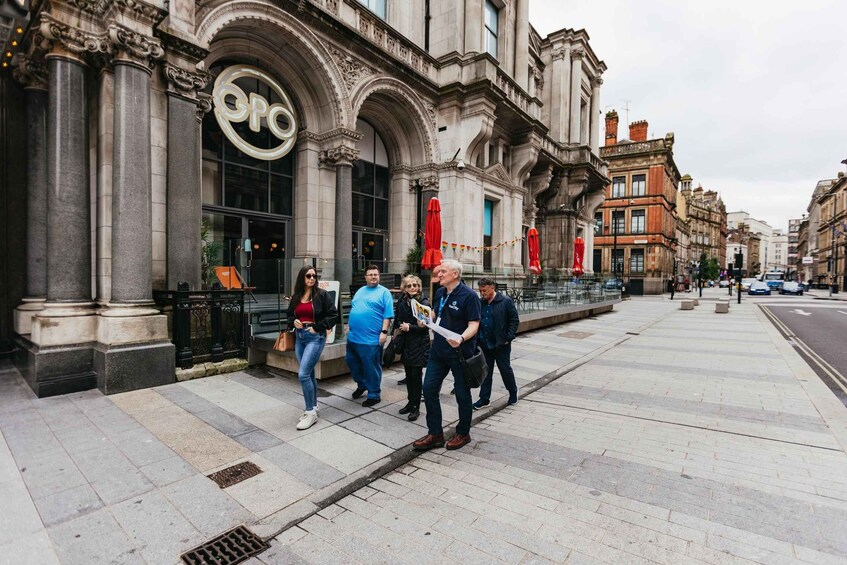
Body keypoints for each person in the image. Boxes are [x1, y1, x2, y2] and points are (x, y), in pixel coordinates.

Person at [413, 259, 480, 452]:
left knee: (462, 394)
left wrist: (461, 338)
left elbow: (474, 324)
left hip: (460, 353)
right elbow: (436, 312)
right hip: (439, 351)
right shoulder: (441, 292)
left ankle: (463, 433)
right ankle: (435, 434)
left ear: (455, 275)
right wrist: (425, 319)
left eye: (443, 271)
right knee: (429, 389)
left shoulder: (469, 296)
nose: (439, 274)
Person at [286, 266, 338, 430]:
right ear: (302, 277)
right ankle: (313, 407)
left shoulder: (321, 295)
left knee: (303, 374)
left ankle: (310, 412)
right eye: (308, 275)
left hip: (315, 337)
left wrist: (317, 327)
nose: (312, 278)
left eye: (314, 276)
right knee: (309, 373)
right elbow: (290, 315)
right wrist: (293, 321)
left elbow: (333, 315)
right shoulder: (297, 296)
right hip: (300, 337)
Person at [346, 264, 394, 407]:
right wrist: (349, 325)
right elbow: (354, 308)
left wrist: (384, 332)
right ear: (365, 277)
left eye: (376, 274)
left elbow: (388, 315)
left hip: (371, 338)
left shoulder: (384, 292)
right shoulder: (360, 291)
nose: (374, 277)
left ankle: (374, 394)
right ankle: (362, 385)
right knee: (352, 362)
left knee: (371, 366)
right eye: (371, 274)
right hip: (353, 337)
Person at [473, 278, 519, 410]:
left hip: (501, 344)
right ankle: (484, 398)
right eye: (480, 291)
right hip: (484, 343)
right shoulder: (481, 303)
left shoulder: (506, 301)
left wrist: (508, 337)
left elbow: (514, 320)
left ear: (492, 288)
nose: (482, 293)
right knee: (486, 372)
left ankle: (513, 392)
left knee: (505, 369)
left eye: (484, 290)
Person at [393, 274, 430, 421]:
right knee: (408, 375)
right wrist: (397, 330)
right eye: (409, 286)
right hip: (407, 343)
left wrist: (410, 327)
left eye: (415, 285)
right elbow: (398, 319)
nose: (412, 288)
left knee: (416, 376)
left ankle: (416, 407)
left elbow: (426, 326)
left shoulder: (423, 302)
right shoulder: (403, 301)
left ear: (419, 286)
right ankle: (410, 402)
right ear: (404, 288)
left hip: (420, 344)